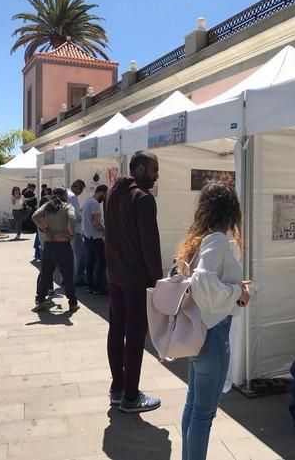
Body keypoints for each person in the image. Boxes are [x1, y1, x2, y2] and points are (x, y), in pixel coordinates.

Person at [175, 180, 250, 460]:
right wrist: (237, 292)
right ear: (230, 209)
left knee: (194, 406)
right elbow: (204, 281)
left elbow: (203, 280)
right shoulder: (217, 239)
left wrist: (233, 288)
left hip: (201, 331)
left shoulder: (202, 238)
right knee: (203, 413)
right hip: (213, 332)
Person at [104, 150, 163, 413]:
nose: (156, 175)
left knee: (117, 330)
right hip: (135, 279)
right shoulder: (143, 198)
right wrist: (157, 280)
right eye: (153, 169)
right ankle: (130, 396)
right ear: (139, 168)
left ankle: (117, 388)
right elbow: (150, 245)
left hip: (115, 274)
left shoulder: (111, 193)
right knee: (135, 335)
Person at [31, 187, 79, 313]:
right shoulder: (67, 206)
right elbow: (73, 218)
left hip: (49, 244)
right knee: (68, 275)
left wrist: (45, 229)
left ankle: (40, 300)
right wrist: (70, 232)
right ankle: (72, 303)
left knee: (46, 274)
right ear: (64, 195)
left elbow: (35, 216)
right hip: (63, 244)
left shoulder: (48, 206)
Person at [83, 184, 108, 295]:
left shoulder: (87, 201)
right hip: (95, 237)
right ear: (102, 192)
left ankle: (90, 286)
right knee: (102, 261)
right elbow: (96, 222)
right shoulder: (94, 204)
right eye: (105, 195)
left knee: (91, 262)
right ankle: (98, 286)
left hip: (87, 236)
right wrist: (104, 231)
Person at [67, 180, 87, 286]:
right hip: (74, 229)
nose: (81, 192)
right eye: (81, 190)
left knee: (68, 255)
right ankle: (77, 278)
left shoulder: (65, 194)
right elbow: (76, 215)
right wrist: (81, 214)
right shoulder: (73, 197)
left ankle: (66, 277)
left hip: (65, 228)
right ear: (77, 188)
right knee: (80, 255)